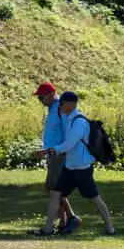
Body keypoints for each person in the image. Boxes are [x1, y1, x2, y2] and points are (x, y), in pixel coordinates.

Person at [44, 91, 114, 236]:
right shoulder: (68, 119)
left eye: (62, 104)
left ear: (71, 104)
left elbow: (69, 144)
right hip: (70, 167)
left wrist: (49, 151)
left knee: (94, 198)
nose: (60, 107)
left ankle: (110, 228)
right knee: (55, 193)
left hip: (82, 169)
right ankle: (47, 229)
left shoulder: (79, 122)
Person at [32, 81, 77, 235]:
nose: (41, 101)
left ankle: (71, 218)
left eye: (41, 98)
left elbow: (68, 131)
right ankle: (64, 222)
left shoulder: (60, 108)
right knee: (54, 189)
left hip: (58, 154)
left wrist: (60, 150)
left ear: (51, 94)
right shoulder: (53, 108)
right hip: (51, 153)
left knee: (54, 189)